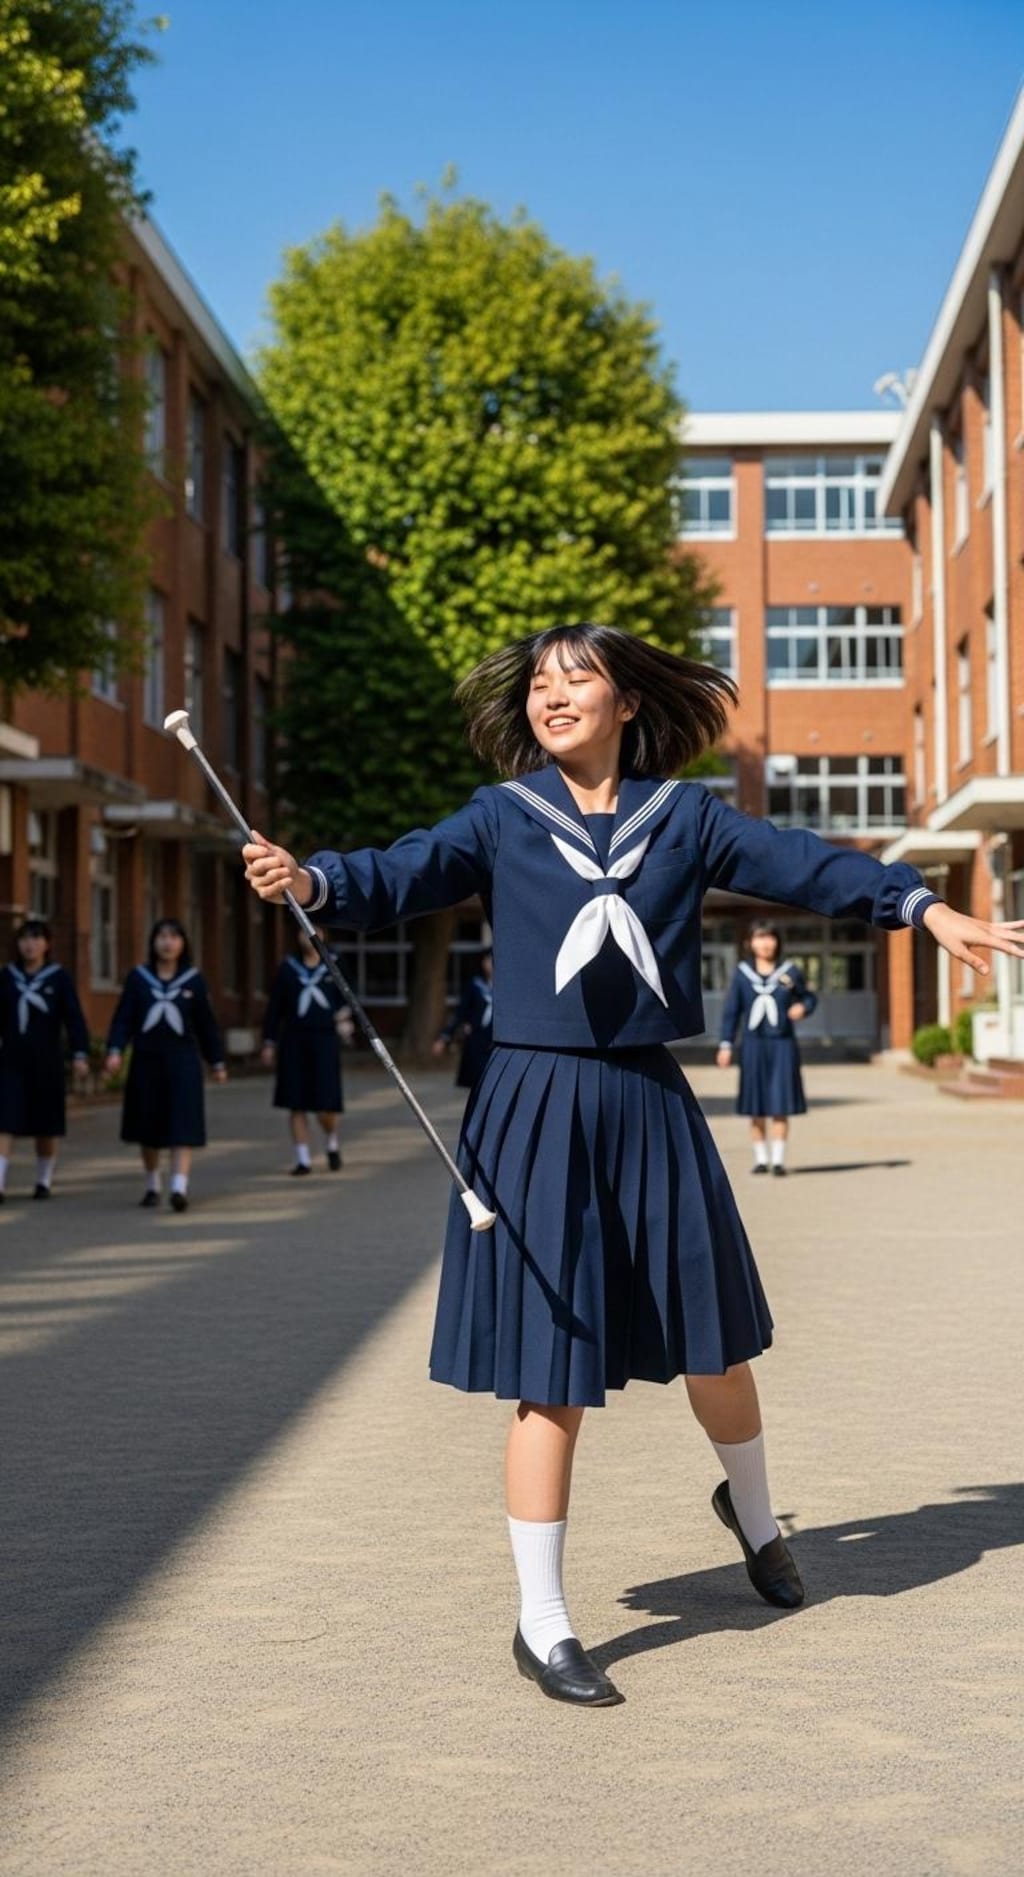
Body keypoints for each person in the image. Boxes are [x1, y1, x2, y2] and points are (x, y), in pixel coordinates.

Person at [241, 622, 1023, 1710]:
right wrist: (313, 880)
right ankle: (545, 1619)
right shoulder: (500, 817)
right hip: (532, 1103)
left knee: (714, 1341)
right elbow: (399, 870)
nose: (552, 696)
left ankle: (754, 1515)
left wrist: (922, 904)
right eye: (538, 685)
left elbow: (802, 862)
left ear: (624, 701)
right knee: (548, 1371)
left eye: (577, 679)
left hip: (649, 1098)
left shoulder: (686, 815)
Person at [105, 918, 226, 1212]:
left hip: (183, 1062)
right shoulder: (139, 978)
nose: (167, 942)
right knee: (148, 1127)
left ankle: (178, 1188)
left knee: (181, 1124)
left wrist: (217, 1061)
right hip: (147, 1061)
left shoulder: (193, 980)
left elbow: (206, 1025)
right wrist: (115, 1050)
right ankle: (152, 1184)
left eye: (174, 936)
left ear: (183, 943)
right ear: (153, 942)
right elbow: (124, 1018)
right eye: (162, 936)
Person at [0, 918, 90, 1201]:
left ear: (47, 944)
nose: (30, 944)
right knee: (4, 1119)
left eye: (37, 938)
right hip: (10, 1060)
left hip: (46, 1061)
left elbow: (73, 1018)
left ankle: (44, 1179)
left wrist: (79, 1053)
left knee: (46, 1124)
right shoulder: (6, 976)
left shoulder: (59, 977)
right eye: (25, 938)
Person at [717, 921, 816, 1177]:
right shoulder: (742, 974)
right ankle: (761, 1159)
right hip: (753, 1045)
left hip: (782, 1044)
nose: (765, 943)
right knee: (756, 1102)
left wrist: (803, 1008)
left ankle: (779, 1160)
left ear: (777, 941)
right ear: (750, 942)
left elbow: (808, 997)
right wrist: (726, 1044)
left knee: (781, 1101)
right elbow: (731, 1012)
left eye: (770, 937)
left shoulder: (790, 972)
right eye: (760, 938)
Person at [261, 926, 353, 1174]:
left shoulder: (334, 963)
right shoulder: (288, 968)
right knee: (296, 1102)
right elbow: (275, 1008)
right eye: (302, 931)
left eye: (314, 930)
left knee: (326, 1103)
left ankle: (331, 1142)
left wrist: (346, 1022)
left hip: (325, 1039)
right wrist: (269, 1042)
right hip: (294, 1040)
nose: (308, 936)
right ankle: (303, 1160)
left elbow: (346, 998)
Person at [432, 948, 494, 1092]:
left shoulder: (506, 987)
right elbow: (461, 1012)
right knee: (476, 1082)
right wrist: (444, 1037)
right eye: (487, 960)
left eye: (493, 960)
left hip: (495, 1040)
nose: (490, 964)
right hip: (476, 1039)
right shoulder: (475, 985)